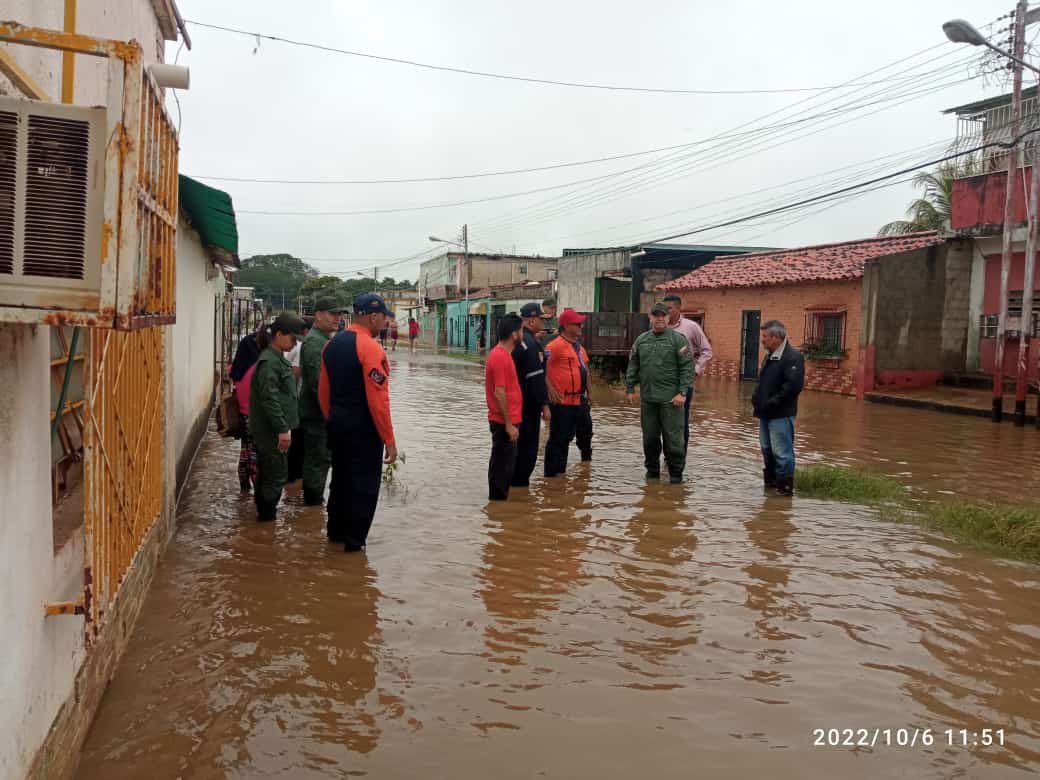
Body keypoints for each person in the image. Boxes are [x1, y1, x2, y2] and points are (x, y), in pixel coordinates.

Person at [319, 293, 399, 551]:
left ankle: (335, 536)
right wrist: (389, 440)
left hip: (337, 425)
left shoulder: (330, 346)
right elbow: (378, 401)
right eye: (385, 317)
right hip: (364, 430)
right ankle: (354, 548)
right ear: (373, 316)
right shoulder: (371, 348)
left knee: (340, 481)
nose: (386, 323)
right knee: (363, 487)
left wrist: (334, 420)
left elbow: (323, 393)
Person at [625, 303, 695, 484]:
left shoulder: (678, 340)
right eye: (655, 315)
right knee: (649, 439)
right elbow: (633, 364)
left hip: (671, 401)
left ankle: (676, 476)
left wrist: (682, 392)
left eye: (663, 315)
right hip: (648, 400)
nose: (659, 318)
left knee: (674, 441)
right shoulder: (642, 340)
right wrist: (630, 388)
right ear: (650, 318)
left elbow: (687, 367)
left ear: (668, 317)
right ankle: (652, 475)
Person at [249, 312, 306, 522]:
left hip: (275, 430)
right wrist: (283, 429)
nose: (294, 344)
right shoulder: (270, 362)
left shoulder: (276, 358)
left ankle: (264, 518)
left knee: (270, 474)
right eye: (292, 339)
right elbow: (269, 398)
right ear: (280, 334)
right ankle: (266, 521)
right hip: (272, 431)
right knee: (275, 475)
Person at [298, 299, 344, 506]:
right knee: (318, 460)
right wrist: (333, 413)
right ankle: (312, 505)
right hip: (317, 414)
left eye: (339, 314)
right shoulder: (316, 343)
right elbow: (319, 384)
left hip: (319, 412)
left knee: (320, 460)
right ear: (318, 315)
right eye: (333, 314)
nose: (338, 318)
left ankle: (312, 504)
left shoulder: (323, 339)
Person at [751, 320, 805, 497]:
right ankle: (771, 486)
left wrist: (772, 402)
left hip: (780, 414)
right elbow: (763, 382)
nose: (762, 341)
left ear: (776, 337)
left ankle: (785, 490)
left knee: (782, 452)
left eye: (765, 337)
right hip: (765, 413)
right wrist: (756, 398)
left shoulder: (793, 357)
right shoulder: (769, 355)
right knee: (766, 449)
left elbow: (792, 387)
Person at [662, 294, 713, 450]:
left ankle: (680, 457)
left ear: (679, 308)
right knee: (664, 420)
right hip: (663, 382)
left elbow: (706, 351)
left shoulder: (691, 327)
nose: (666, 312)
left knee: (681, 421)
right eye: (664, 309)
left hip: (683, 382)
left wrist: (695, 371)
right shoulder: (659, 327)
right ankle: (668, 456)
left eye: (669, 308)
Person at [544, 309, 591, 478]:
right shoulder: (554, 346)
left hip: (580, 401)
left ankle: (583, 466)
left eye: (580, 323)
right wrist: (549, 390)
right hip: (561, 402)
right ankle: (553, 475)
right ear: (565, 326)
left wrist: (590, 394)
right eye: (577, 324)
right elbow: (543, 370)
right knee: (559, 439)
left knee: (584, 434)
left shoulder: (579, 348)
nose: (580, 326)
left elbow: (585, 370)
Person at [510, 303, 551, 488]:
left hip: (516, 405)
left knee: (517, 449)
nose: (543, 322)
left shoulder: (519, 341)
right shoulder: (531, 344)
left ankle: (514, 488)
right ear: (532, 320)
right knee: (528, 451)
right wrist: (545, 404)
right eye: (541, 319)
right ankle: (520, 489)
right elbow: (536, 379)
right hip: (528, 406)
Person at [486, 314, 524, 500]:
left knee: (504, 467)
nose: (523, 334)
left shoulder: (503, 355)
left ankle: (498, 511)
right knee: (502, 469)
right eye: (522, 330)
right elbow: (499, 393)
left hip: (508, 421)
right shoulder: (500, 356)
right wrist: (509, 425)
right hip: (503, 423)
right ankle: (498, 508)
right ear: (514, 334)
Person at [229, 325, 263, 493]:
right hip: (256, 418)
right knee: (256, 454)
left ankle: (244, 489)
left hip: (243, 416)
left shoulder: (239, 370)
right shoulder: (257, 370)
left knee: (246, 450)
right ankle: (259, 492)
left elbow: (230, 372)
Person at [285, 316, 314, 483]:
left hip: (297, 404)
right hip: (297, 404)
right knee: (298, 444)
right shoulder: (303, 347)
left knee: (297, 442)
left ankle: (293, 481)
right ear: (305, 331)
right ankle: (293, 480)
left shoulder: (300, 346)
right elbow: (294, 376)